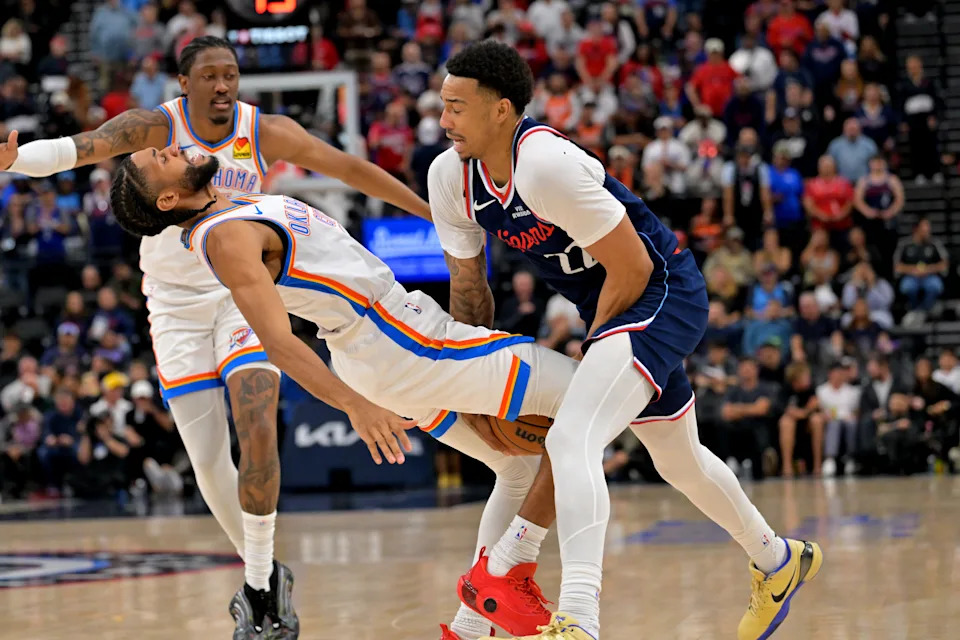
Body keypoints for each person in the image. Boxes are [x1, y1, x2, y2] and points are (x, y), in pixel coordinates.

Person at [0, 36, 432, 639]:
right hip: (174, 307)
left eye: (231, 74)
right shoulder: (155, 130)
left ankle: (258, 593)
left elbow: (349, 169)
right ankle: (266, 573)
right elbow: (78, 149)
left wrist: (427, 213)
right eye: (210, 76)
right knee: (207, 463)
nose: (224, 85)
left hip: (237, 292)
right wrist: (14, 160)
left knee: (255, 418)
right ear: (185, 83)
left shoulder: (263, 131)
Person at [109, 144, 589, 640]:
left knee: (517, 469)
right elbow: (277, 342)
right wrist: (353, 404)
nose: (171, 148)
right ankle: (511, 573)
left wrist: (431, 209)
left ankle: (469, 627)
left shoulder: (233, 203)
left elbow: (346, 167)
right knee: (589, 396)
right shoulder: (222, 238)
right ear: (167, 200)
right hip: (396, 340)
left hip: (387, 344)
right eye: (160, 160)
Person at [428, 41, 821, 640]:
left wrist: (593, 348)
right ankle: (777, 561)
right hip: (609, 306)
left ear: (502, 109)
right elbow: (469, 288)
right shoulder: (449, 178)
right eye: (442, 105)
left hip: (660, 290)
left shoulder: (543, 164)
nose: (443, 119)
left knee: (573, 433)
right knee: (678, 459)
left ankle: (577, 615)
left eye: (457, 106)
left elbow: (633, 267)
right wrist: (472, 380)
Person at [894, 218, 948, 323]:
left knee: (935, 285)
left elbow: (944, 264)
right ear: (916, 229)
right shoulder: (904, 244)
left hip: (929, 276)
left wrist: (928, 269)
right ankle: (914, 309)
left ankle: (922, 312)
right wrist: (913, 270)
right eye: (924, 228)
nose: (928, 231)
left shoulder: (934, 243)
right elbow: (897, 266)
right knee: (908, 287)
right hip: (911, 276)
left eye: (928, 228)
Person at [779, 361, 824, 477]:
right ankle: (787, 466)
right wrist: (806, 411)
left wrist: (805, 412)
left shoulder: (811, 388)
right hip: (793, 425)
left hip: (808, 424)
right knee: (786, 422)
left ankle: (818, 466)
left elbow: (816, 406)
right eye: (805, 377)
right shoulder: (786, 390)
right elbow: (789, 411)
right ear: (796, 379)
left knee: (817, 420)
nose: (809, 379)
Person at [816, 362, 861, 477]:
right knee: (834, 424)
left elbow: (856, 411)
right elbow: (819, 410)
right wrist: (824, 416)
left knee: (852, 424)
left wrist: (853, 416)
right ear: (829, 374)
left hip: (848, 420)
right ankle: (830, 459)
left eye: (840, 373)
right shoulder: (821, 391)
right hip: (830, 421)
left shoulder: (852, 391)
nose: (838, 376)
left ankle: (851, 458)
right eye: (835, 373)